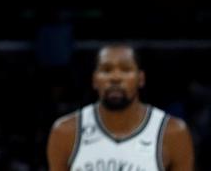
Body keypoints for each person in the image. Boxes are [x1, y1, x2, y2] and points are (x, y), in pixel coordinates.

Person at [47, 44, 194, 171]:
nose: (115, 77)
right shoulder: (65, 132)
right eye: (106, 70)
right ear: (94, 80)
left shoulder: (172, 132)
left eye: (125, 70)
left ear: (140, 79)